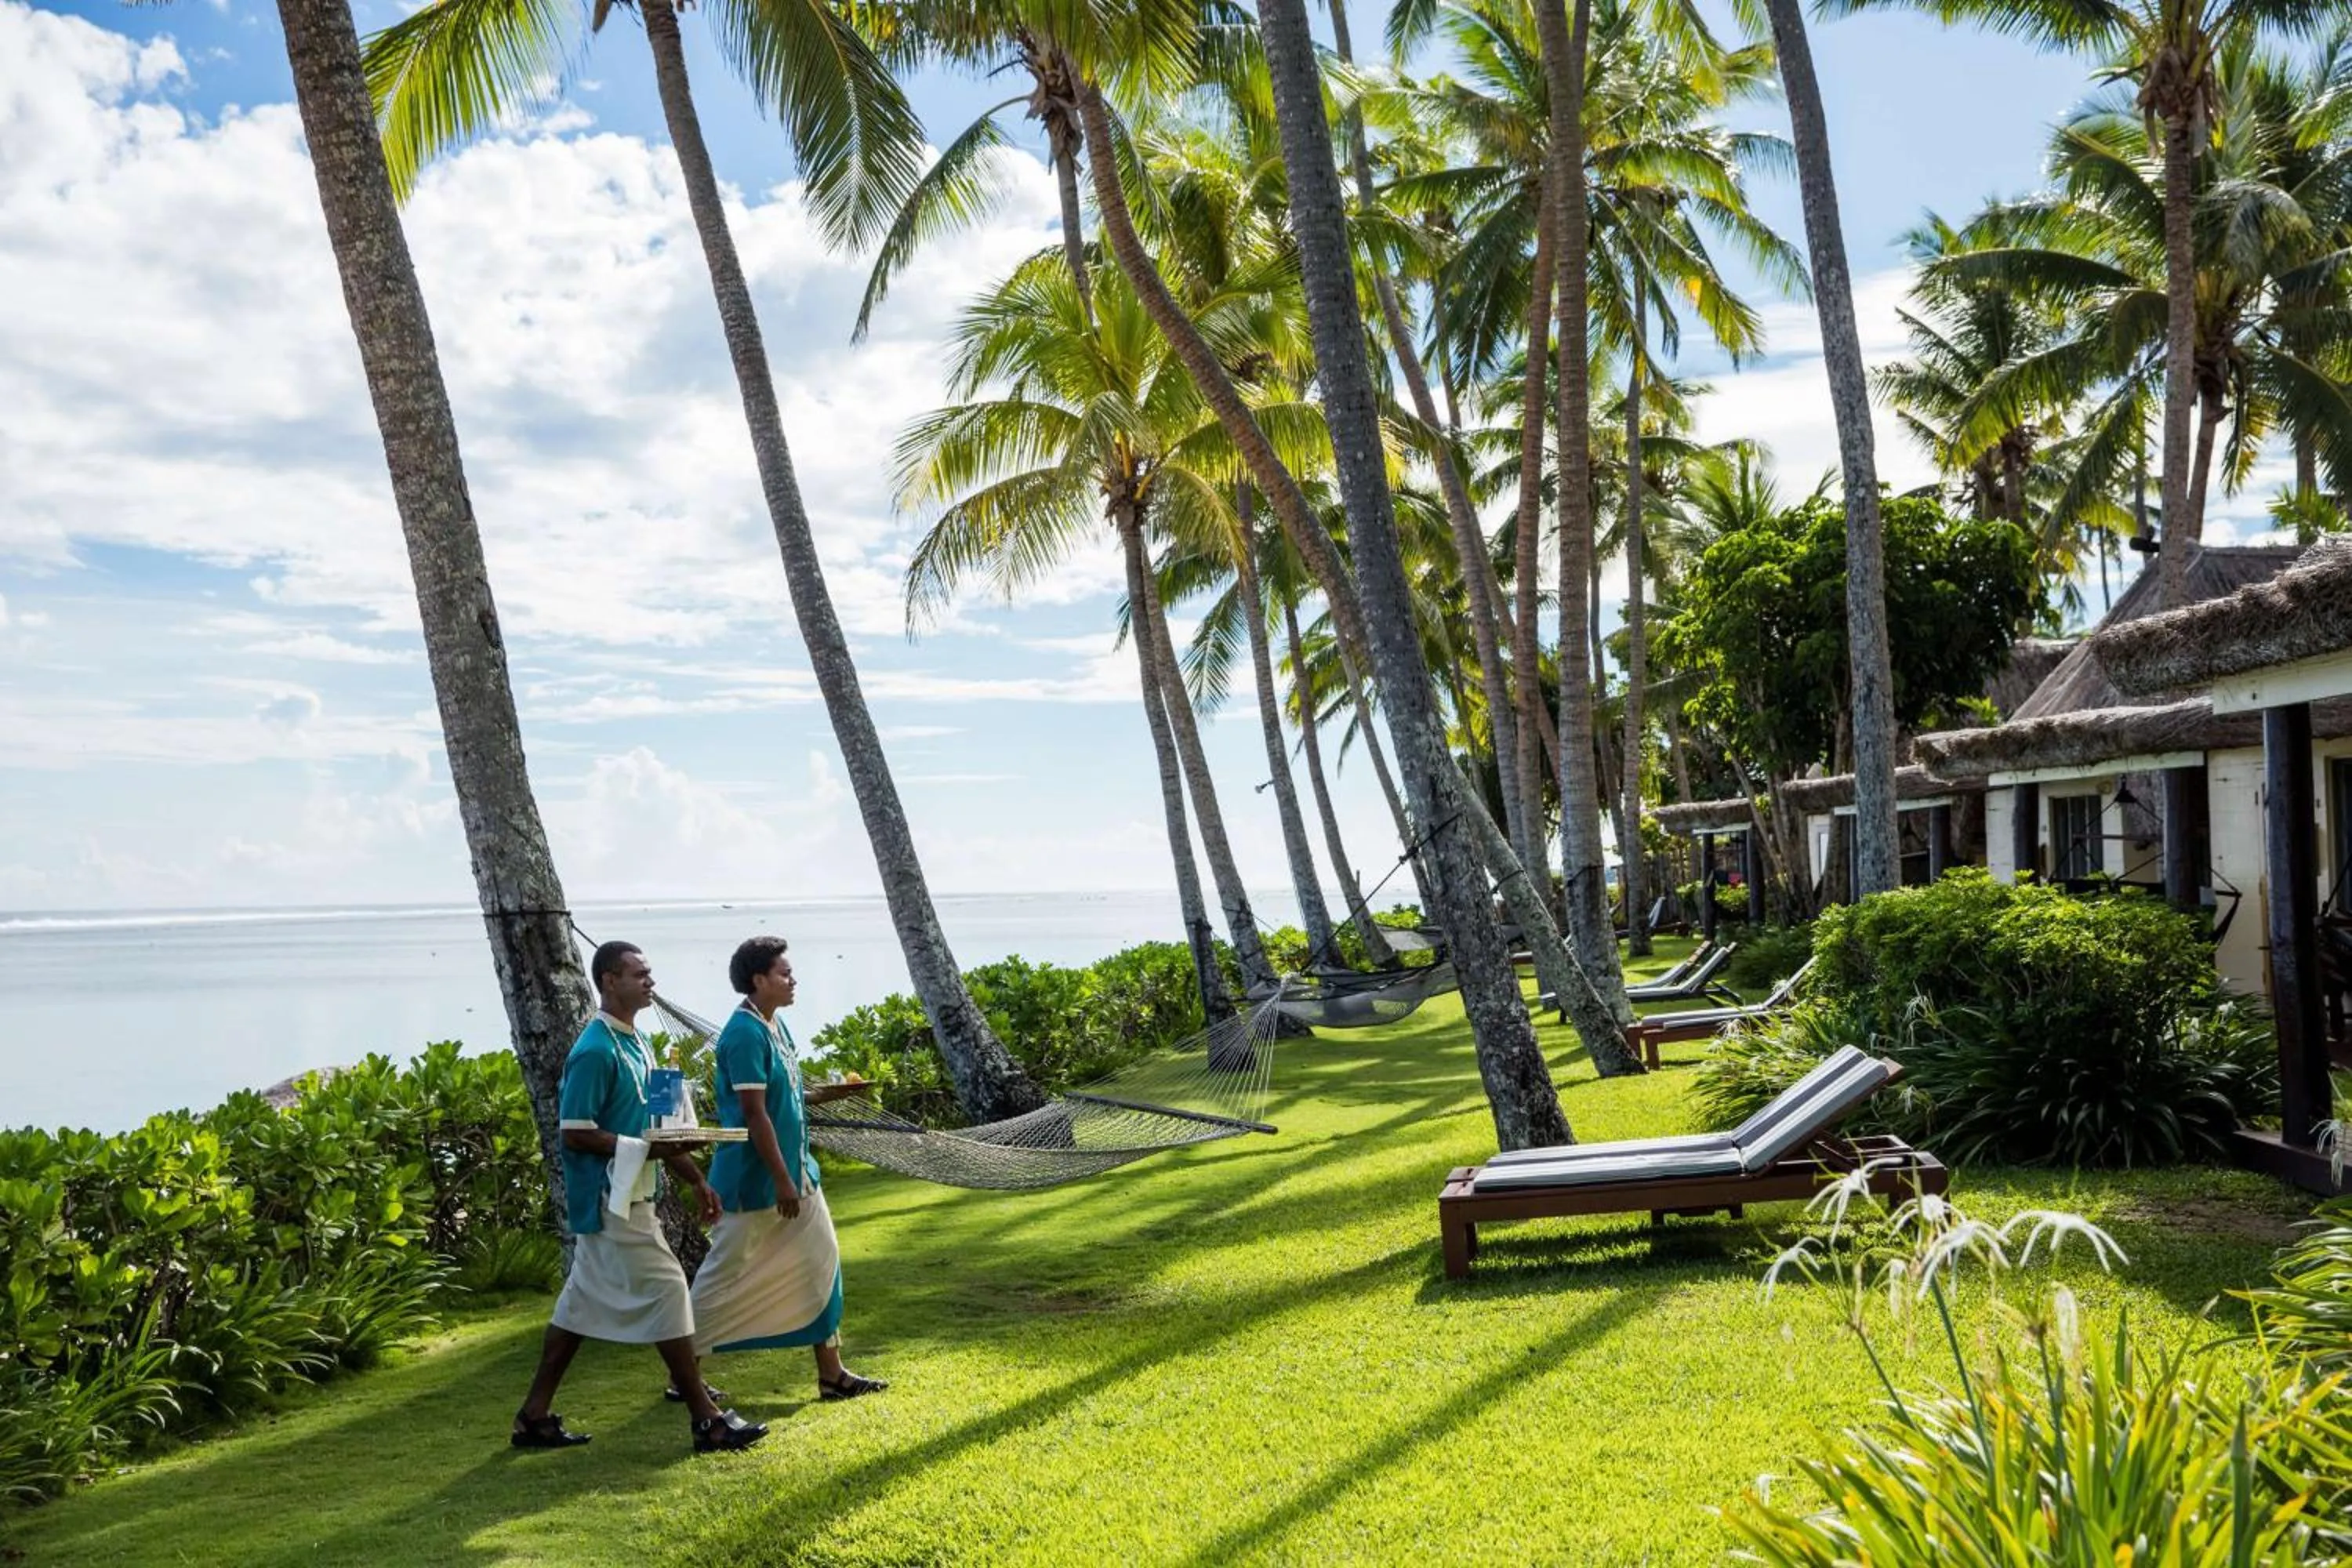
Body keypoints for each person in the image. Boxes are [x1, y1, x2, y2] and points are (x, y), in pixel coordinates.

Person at [510, 940, 768, 1454]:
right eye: (639, 974)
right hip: (611, 1201)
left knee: (576, 1309)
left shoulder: (640, 1044)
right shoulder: (594, 1051)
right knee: (670, 1291)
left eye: (650, 973)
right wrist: (646, 1146)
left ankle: (533, 1416)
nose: (651, 982)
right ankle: (706, 1418)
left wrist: (695, 1179)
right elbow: (574, 1132)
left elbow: (662, 1125)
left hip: (634, 1194)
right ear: (609, 980)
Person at [685, 935, 887, 1401]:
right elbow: (754, 1113)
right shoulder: (742, 1034)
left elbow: (785, 1097)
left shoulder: (776, 1025)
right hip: (753, 1182)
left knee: (822, 1262)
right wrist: (781, 1180)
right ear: (759, 980)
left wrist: (826, 1096)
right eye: (784, 973)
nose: (793, 979)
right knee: (724, 1274)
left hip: (799, 1172)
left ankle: (832, 1374)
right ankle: (685, 1373)